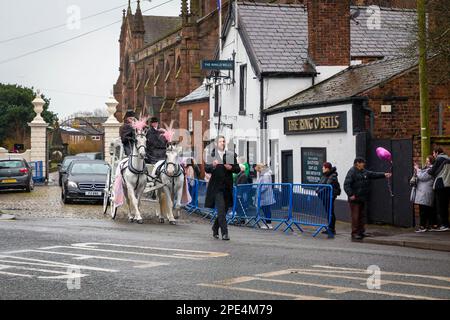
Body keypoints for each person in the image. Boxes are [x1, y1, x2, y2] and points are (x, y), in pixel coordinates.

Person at [344, 157, 392, 241]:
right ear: (357, 163)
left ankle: (361, 232)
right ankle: (354, 233)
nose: (364, 164)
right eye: (362, 162)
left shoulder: (364, 171)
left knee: (362, 216)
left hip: (362, 198)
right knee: (355, 217)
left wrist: (384, 174)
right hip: (354, 199)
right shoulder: (352, 172)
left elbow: (373, 174)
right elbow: (346, 185)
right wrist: (351, 194)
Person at [205, 135, 240, 241]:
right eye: (220, 141)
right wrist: (213, 166)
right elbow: (206, 169)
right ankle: (225, 233)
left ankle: (215, 228)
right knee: (220, 210)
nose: (223, 143)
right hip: (216, 188)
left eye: (224, 141)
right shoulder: (212, 155)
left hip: (227, 188)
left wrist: (231, 168)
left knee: (224, 211)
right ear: (216, 143)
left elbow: (237, 169)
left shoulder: (230, 155)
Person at [412, 155, 437, 232]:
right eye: (426, 161)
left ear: (431, 162)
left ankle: (422, 227)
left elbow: (423, 177)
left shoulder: (431, 169)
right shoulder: (427, 169)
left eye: (428, 161)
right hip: (423, 192)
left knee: (423, 211)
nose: (426, 163)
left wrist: (417, 169)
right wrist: (417, 170)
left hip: (425, 193)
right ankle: (428, 226)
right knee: (425, 210)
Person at [427, 147, 450, 231]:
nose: (433, 155)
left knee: (441, 206)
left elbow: (432, 171)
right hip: (448, 184)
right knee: (446, 205)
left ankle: (444, 225)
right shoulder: (448, 158)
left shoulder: (439, 159)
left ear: (437, 152)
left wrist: (428, 169)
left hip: (441, 184)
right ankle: (446, 224)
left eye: (433, 153)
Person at [318, 162, 341, 236]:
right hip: (324, 196)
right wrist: (317, 188)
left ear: (327, 168)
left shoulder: (332, 175)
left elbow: (327, 185)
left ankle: (332, 229)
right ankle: (329, 228)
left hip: (329, 196)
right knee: (328, 212)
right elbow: (321, 183)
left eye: (323, 167)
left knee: (330, 212)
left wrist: (319, 190)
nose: (322, 168)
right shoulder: (324, 175)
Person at [254, 164, 275, 229]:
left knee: (267, 210)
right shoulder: (263, 175)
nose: (258, 172)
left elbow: (265, 186)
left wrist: (259, 191)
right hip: (264, 196)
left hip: (266, 196)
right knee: (265, 210)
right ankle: (267, 223)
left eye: (258, 170)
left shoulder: (266, 175)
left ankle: (269, 224)